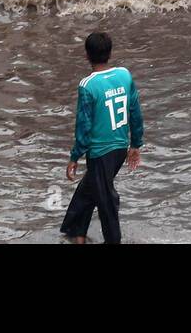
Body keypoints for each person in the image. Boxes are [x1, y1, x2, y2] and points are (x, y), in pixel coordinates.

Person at [61, 31, 144, 244]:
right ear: (110, 53)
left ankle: (112, 240)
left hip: (100, 153)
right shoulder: (124, 75)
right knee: (89, 188)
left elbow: (84, 126)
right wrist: (135, 144)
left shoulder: (87, 86)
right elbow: (135, 110)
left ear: (86, 55)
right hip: (119, 149)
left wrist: (74, 156)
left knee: (105, 199)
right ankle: (75, 232)